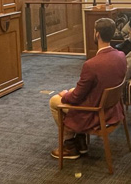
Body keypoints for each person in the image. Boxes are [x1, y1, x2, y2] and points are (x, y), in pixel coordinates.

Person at [49, 18, 126, 159]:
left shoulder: (91, 64)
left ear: (96, 34)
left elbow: (76, 97)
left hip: (96, 112)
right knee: (74, 89)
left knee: (55, 101)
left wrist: (65, 94)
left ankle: (69, 145)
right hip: (112, 108)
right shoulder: (121, 56)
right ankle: (81, 141)